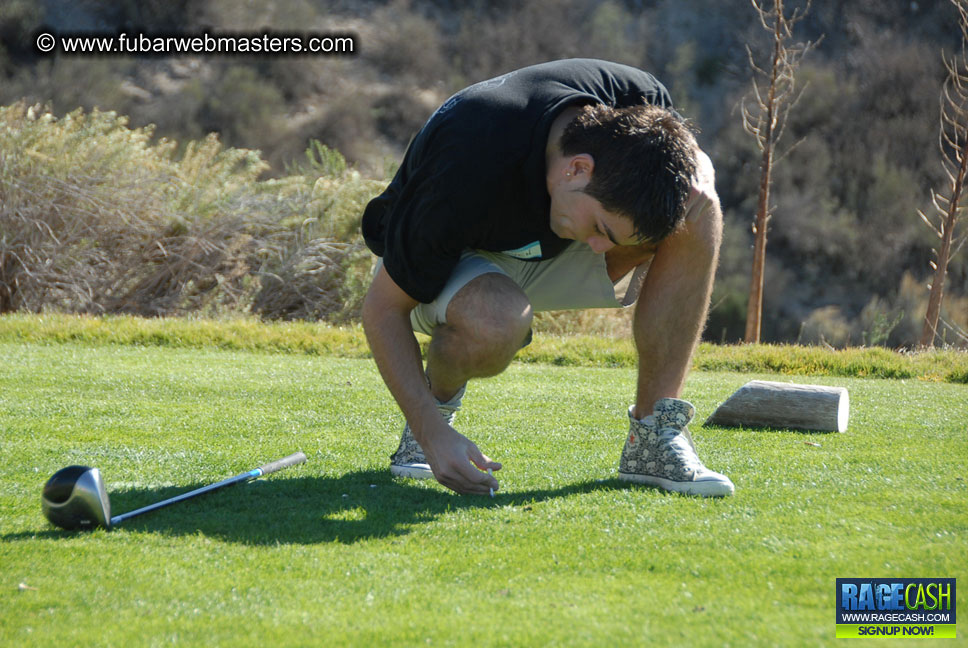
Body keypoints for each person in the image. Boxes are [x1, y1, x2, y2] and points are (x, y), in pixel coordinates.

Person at [361, 58, 734, 498]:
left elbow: (685, 157)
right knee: (496, 322)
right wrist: (431, 432)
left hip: (545, 247)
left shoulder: (636, 100)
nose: (601, 249)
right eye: (601, 229)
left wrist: (700, 171)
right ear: (577, 168)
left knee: (697, 206)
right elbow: (382, 310)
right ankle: (432, 419)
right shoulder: (468, 153)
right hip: (447, 256)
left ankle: (653, 439)